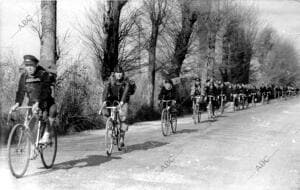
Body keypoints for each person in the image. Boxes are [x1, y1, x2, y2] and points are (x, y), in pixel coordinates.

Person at [11, 55, 57, 144]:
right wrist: (17, 103)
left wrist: (38, 102)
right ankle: (32, 146)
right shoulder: (24, 77)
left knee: (49, 113)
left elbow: (45, 90)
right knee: (29, 126)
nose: (29, 68)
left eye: (31, 65)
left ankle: (46, 136)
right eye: (27, 65)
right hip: (32, 103)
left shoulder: (43, 74)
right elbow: (21, 91)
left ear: (36, 65)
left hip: (45, 101)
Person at [102, 65, 131, 147]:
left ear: (122, 73)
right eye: (117, 73)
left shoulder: (125, 81)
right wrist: (104, 101)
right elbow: (105, 91)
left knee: (123, 118)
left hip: (123, 100)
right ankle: (111, 131)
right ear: (114, 73)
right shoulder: (110, 81)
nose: (119, 74)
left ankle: (121, 137)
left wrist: (122, 102)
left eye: (120, 73)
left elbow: (125, 92)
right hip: (112, 100)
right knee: (107, 115)